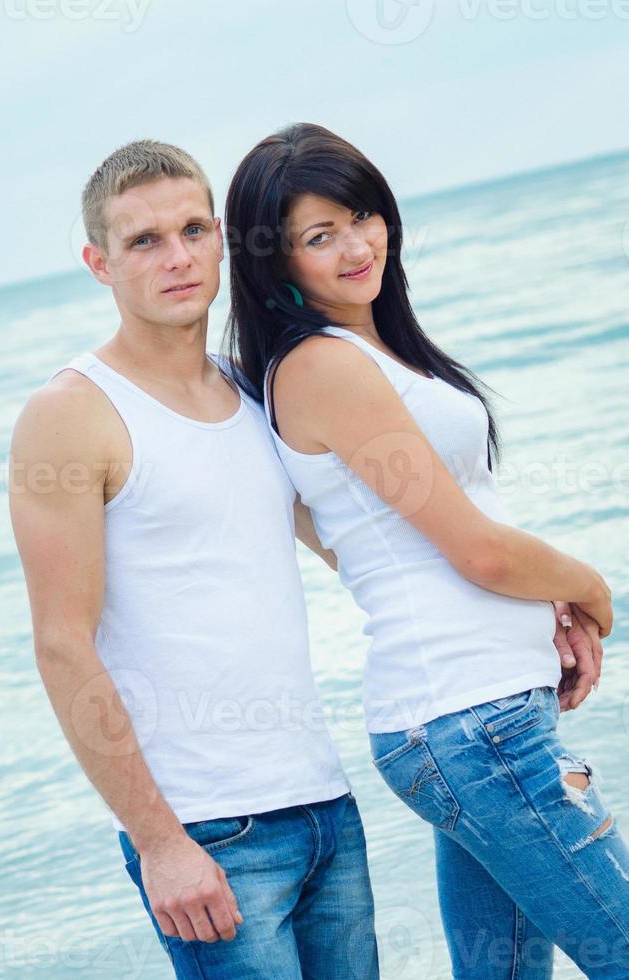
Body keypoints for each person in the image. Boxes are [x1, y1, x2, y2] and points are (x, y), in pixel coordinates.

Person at [223, 122, 629, 978]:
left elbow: (380, 542)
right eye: (317, 236)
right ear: (276, 263)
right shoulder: (321, 368)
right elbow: (477, 551)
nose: (355, 245)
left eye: (361, 216)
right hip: (470, 723)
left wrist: (540, 603)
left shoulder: (373, 352)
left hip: (479, 714)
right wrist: (592, 586)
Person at [8, 139, 380, 980]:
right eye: (143, 241)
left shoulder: (252, 390)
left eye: (191, 231)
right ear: (98, 262)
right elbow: (62, 644)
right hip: (209, 834)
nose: (177, 258)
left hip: (325, 807)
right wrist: (158, 842)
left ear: (221, 239)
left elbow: (359, 551)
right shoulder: (70, 414)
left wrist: (523, 609)